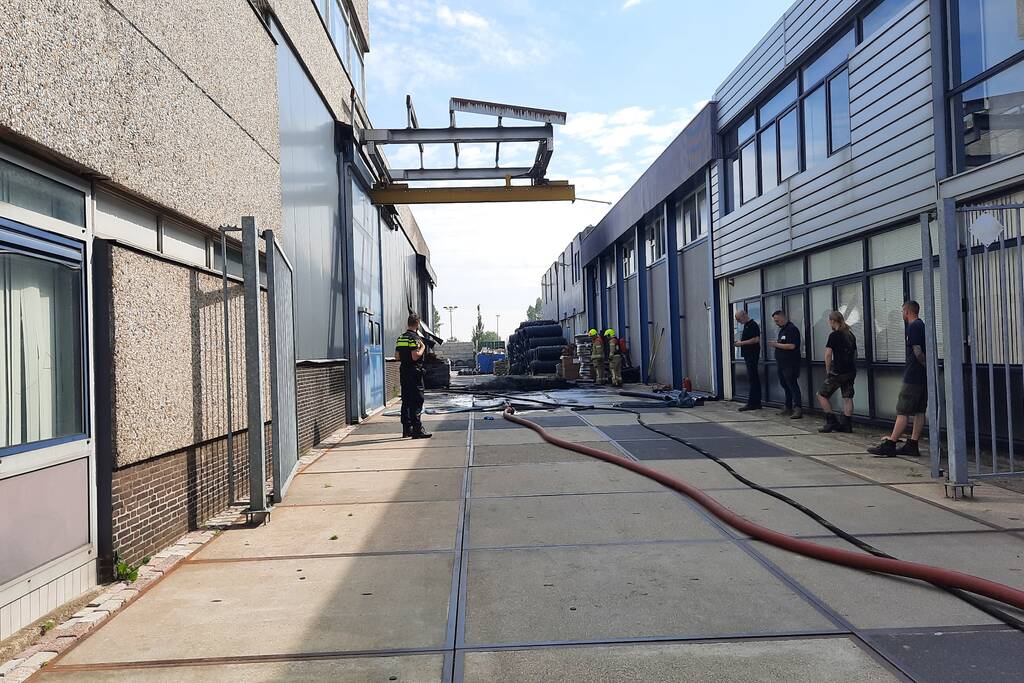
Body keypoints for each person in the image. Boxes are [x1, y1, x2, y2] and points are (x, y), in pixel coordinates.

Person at [869, 301, 928, 457]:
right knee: (919, 411)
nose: (903, 314)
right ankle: (912, 444)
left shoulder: (913, 326)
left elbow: (917, 351)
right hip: (922, 376)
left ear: (907, 311)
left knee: (903, 410)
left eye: (903, 311)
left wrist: (924, 364)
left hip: (913, 374)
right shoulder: (922, 325)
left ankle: (890, 444)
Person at [816, 311, 857, 433]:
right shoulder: (850, 335)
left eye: (829, 321)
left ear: (833, 321)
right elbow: (855, 354)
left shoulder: (834, 335)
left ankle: (831, 421)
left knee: (821, 394)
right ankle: (847, 424)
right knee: (847, 397)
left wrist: (828, 370)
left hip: (838, 371)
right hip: (850, 371)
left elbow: (828, 354)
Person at [395, 313, 431, 439]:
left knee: (406, 400)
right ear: (417, 324)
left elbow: (397, 357)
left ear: (408, 323)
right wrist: (423, 347)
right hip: (414, 373)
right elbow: (415, 356)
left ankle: (406, 429)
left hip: (404, 372)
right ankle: (417, 430)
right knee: (417, 400)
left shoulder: (401, 338)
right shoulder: (415, 339)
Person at [768, 310, 803, 419]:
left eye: (777, 320)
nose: (776, 323)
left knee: (792, 385)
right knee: (785, 385)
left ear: (783, 318)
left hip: (790, 363)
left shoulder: (792, 329)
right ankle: (788, 406)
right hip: (782, 363)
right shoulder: (782, 330)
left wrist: (776, 345)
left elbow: (792, 346)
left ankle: (798, 408)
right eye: (775, 321)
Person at [733, 309, 761, 411]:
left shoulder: (753, 325)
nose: (739, 322)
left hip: (752, 355)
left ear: (744, 315)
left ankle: (753, 402)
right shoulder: (746, 326)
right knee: (753, 378)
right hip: (748, 355)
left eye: (739, 319)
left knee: (753, 379)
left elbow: (756, 339)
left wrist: (741, 343)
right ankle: (756, 402)